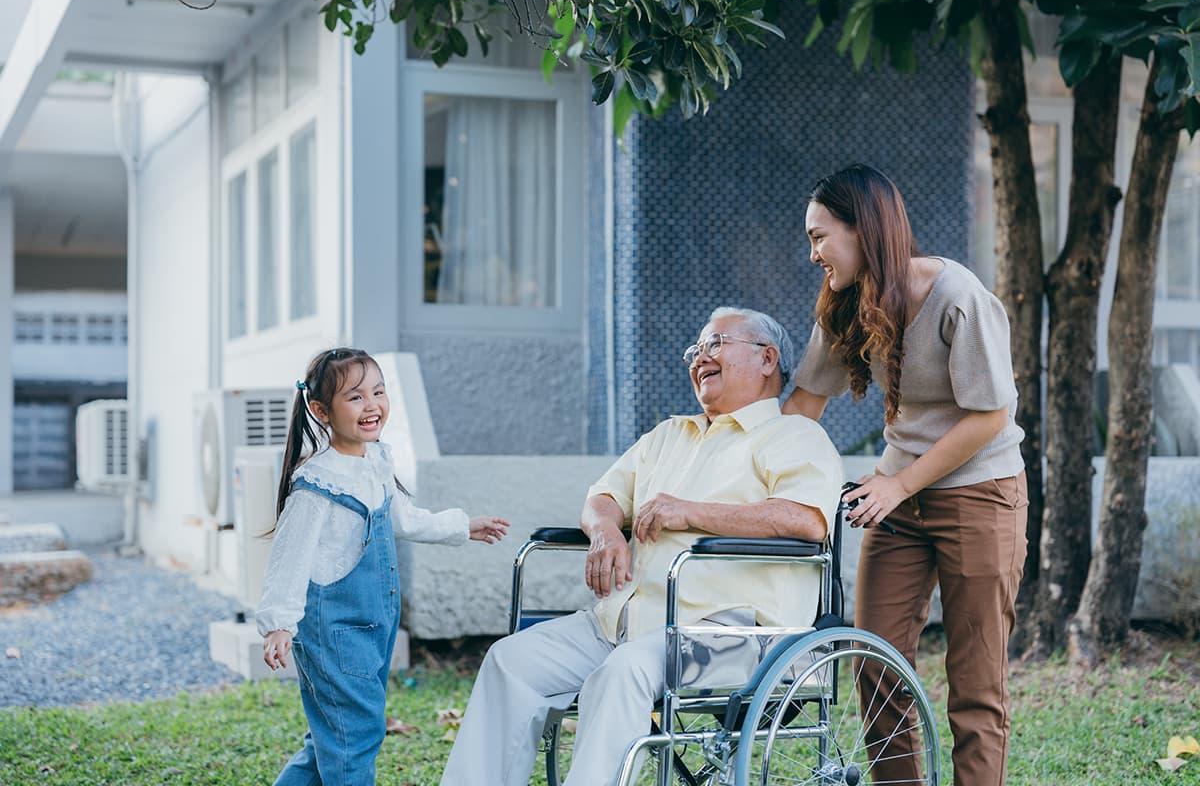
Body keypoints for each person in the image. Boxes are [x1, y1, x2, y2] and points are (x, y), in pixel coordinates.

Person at [442, 306, 843, 786]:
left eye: (715, 344)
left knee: (623, 673)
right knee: (511, 661)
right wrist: (607, 531)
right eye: (695, 350)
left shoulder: (794, 435)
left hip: (733, 635)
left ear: (766, 358)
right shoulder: (669, 434)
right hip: (626, 623)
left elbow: (805, 520)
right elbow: (602, 497)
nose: (699, 358)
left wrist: (691, 511)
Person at [785, 163, 1028, 785]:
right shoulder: (847, 307)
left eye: (820, 236)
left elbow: (989, 416)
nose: (812, 253)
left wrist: (899, 484)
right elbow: (803, 407)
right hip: (897, 502)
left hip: (980, 494)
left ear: (862, 230)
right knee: (875, 663)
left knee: (976, 684)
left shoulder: (957, 296)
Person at [256, 347, 510, 786]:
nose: (372, 405)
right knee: (354, 737)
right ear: (321, 411)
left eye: (378, 391)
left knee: (335, 734)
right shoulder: (318, 484)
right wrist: (279, 623)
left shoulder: (374, 462)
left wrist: (462, 526)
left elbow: (402, 517)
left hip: (371, 627)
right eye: (355, 397)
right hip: (333, 631)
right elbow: (289, 558)